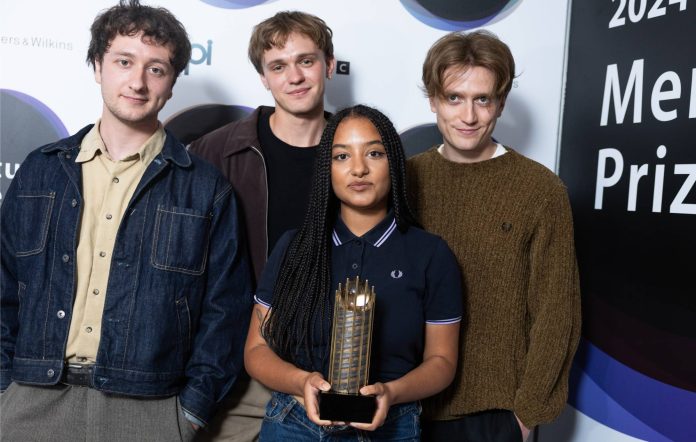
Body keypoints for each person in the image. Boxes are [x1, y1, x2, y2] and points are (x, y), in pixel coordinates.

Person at [0, 1, 252, 441]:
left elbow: (225, 314)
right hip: (30, 401)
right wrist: (5, 390)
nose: (137, 81)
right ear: (98, 66)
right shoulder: (41, 171)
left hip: (149, 410)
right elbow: (3, 286)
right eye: (124, 61)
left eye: (156, 69)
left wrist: (190, 413)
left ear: (172, 84)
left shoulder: (206, 189)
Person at [244, 105, 463, 440]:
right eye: (342, 157)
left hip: (392, 426)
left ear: (394, 163)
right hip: (294, 422)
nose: (358, 169)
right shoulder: (294, 247)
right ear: (326, 170)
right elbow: (256, 351)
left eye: (374, 153)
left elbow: (442, 362)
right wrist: (301, 382)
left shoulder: (430, 254)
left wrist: (392, 392)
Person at [407, 30, 581, 442]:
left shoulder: (539, 189)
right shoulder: (404, 178)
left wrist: (526, 415)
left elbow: (557, 310)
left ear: (499, 103)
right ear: (432, 100)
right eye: (454, 98)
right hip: (403, 405)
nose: (468, 116)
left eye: (482, 99)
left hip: (493, 415)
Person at [188, 11, 335, 440]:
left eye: (306, 61)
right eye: (278, 66)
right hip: (235, 375)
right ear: (263, 78)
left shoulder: (362, 152)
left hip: (326, 368)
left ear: (328, 64)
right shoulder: (217, 152)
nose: (295, 77)